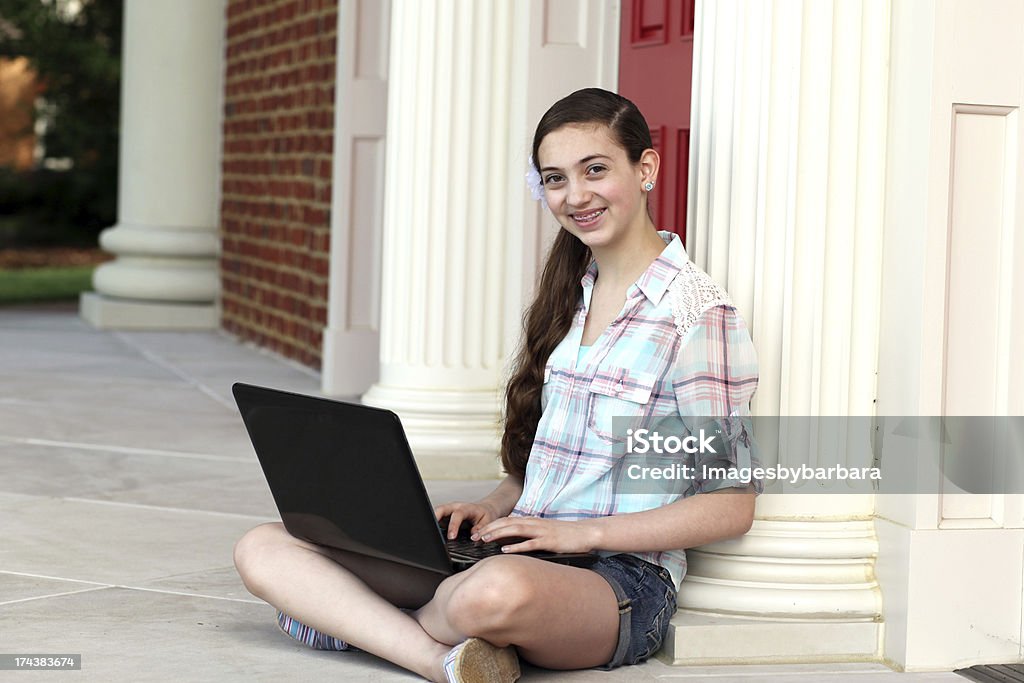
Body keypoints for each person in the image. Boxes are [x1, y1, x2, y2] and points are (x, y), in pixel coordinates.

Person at [233, 87, 761, 682]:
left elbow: (731, 504)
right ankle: (441, 659)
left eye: (595, 170)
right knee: (265, 545)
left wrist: (578, 533)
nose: (576, 196)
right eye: (555, 179)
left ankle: (348, 619)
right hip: (512, 548)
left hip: (618, 581)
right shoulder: (571, 297)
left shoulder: (696, 314)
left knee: (494, 593)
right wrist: (489, 506)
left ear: (646, 168)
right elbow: (556, 463)